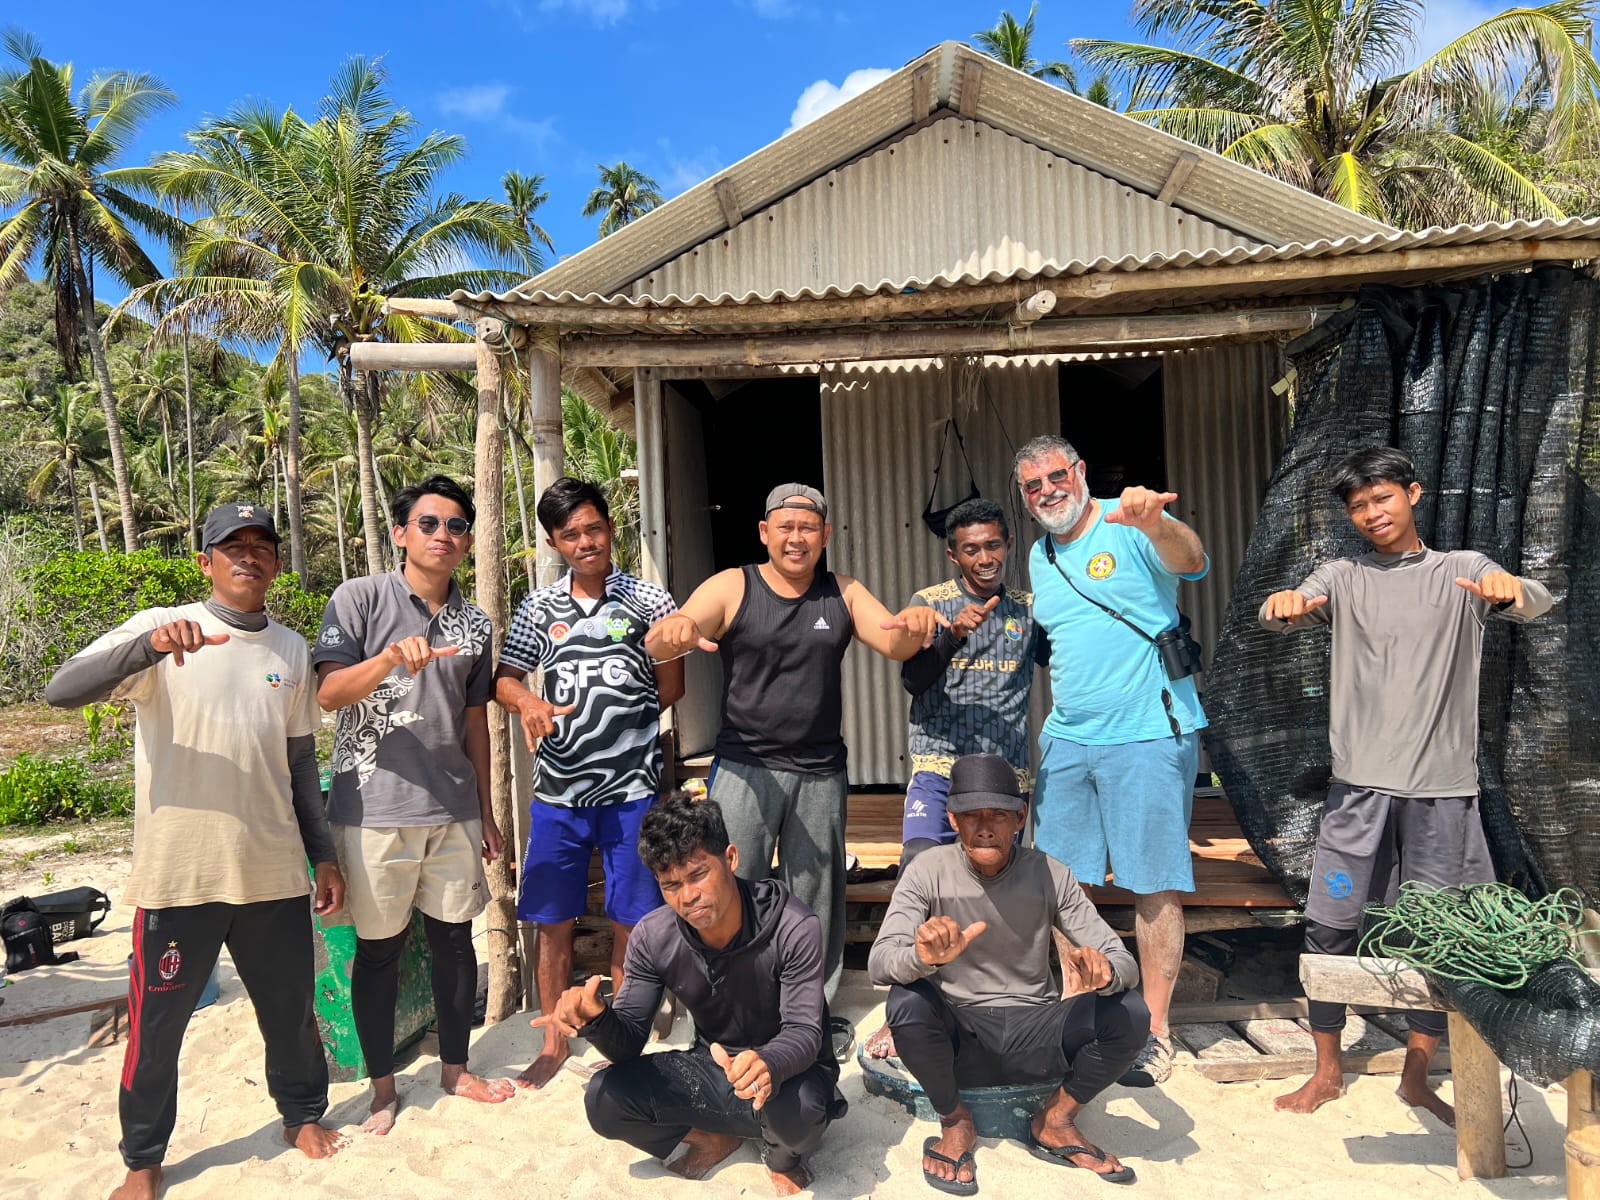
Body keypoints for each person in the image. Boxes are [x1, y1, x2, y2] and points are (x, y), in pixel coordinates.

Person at [44, 503, 347, 1200]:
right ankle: (143, 1158)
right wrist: (145, 651)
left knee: (291, 1013)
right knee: (157, 1030)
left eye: (261, 544)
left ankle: (300, 1116)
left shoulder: (292, 649)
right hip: (180, 874)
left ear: (276, 561)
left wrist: (322, 854)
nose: (248, 555)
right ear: (204, 562)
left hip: (271, 867)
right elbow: (61, 692)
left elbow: (300, 765)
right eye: (230, 546)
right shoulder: (161, 628)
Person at [1260, 445, 1552, 1119]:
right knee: (1329, 925)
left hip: (1444, 794)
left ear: (1413, 494)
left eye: (1381, 498)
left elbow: (1532, 601)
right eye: (1358, 505)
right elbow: (1290, 606)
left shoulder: (1463, 570)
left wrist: (1513, 590)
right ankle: (1325, 1069)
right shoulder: (1344, 575)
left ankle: (1417, 1073)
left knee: (1440, 930)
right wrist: (1287, 603)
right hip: (1358, 792)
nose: (1371, 513)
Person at [644, 484, 943, 1010]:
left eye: (808, 528)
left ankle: (811, 1010)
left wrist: (917, 625)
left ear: (825, 536)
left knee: (816, 896)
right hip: (744, 767)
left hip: (819, 770)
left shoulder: (843, 592)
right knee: (731, 884)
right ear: (765, 533)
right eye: (785, 527)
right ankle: (731, 1003)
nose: (796, 538)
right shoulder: (732, 586)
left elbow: (895, 640)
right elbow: (666, 636)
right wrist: (676, 631)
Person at [313, 475, 510, 1134]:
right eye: (429, 523)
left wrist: (484, 811)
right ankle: (381, 1091)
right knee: (377, 951)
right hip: (373, 808)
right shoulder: (360, 598)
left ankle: (456, 1071)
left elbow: (476, 722)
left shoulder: (476, 623)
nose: (444, 536)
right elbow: (329, 693)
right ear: (401, 533)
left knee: (456, 944)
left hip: (452, 808)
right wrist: (390, 660)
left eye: (457, 526)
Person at [1016, 433, 1209, 1088]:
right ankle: (1078, 1007)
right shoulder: (1041, 557)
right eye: (1032, 485)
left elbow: (1191, 560)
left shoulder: (1131, 524)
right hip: (1069, 738)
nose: (1047, 491)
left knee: (1152, 881)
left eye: (1054, 476)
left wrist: (1158, 522)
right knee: (1061, 882)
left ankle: (1154, 1029)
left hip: (1149, 731)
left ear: (1080, 471)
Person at [539, 792, 846, 1196]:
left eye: (698, 874)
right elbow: (630, 1040)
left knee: (799, 1115)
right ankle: (713, 1138)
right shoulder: (654, 936)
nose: (688, 896)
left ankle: (780, 1157)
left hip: (787, 1074)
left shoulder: (792, 924)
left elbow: (805, 1032)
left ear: (731, 858)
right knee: (603, 1099)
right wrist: (596, 1018)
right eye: (671, 885)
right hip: (714, 1066)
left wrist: (767, 1061)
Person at [869, 753, 1147, 1193]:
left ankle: (1055, 1121)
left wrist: (1105, 972)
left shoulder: (1049, 873)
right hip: (959, 1035)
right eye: (970, 816)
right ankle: (955, 1122)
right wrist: (925, 957)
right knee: (905, 1001)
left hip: (1035, 1032)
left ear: (1019, 818)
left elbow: (1122, 959)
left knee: (1130, 1011)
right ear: (951, 819)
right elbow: (880, 963)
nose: (984, 827)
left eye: (997, 815)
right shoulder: (927, 869)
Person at [494, 476, 685, 1087]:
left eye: (594, 528)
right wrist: (527, 701)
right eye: (570, 534)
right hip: (558, 795)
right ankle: (553, 1038)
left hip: (632, 791)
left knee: (633, 915)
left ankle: (618, 1032)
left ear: (610, 528)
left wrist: (619, 724)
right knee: (554, 917)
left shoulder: (649, 599)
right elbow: (505, 677)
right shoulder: (537, 607)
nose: (585, 541)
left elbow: (672, 687)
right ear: (554, 542)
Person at [864, 497, 1048, 1061]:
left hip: (1003, 773)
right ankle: (906, 1008)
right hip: (939, 766)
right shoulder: (931, 604)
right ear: (953, 554)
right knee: (919, 875)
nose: (985, 556)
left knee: (1003, 889)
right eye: (972, 548)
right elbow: (914, 681)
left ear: (1008, 546)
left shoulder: (1031, 608)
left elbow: (1064, 659)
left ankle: (998, 1000)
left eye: (994, 544)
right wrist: (951, 637)